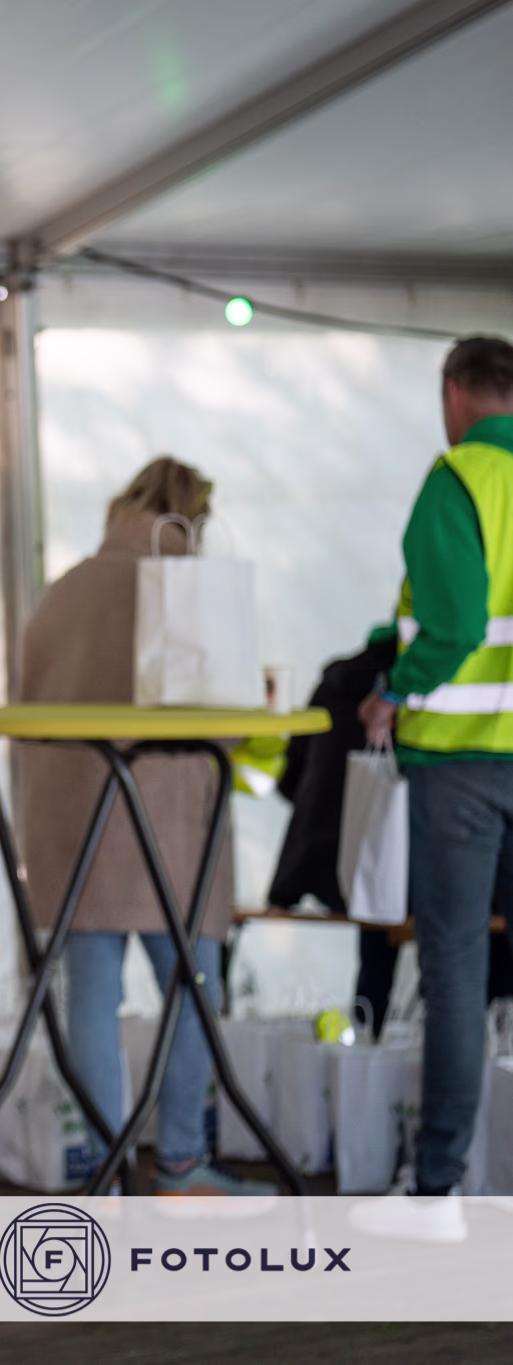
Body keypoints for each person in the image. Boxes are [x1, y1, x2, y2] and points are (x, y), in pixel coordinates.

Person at [15, 457, 274, 1197]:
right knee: (193, 992)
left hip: (74, 828)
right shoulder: (190, 591)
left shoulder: (63, 590)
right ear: (191, 515)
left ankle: (109, 1171)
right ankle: (182, 1166)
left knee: (91, 999)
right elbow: (224, 731)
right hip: (168, 832)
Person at [354, 333, 513, 1241]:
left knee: (454, 970)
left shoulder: (458, 480)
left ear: (456, 393)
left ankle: (439, 1191)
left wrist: (392, 691)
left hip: (461, 760)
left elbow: (453, 625)